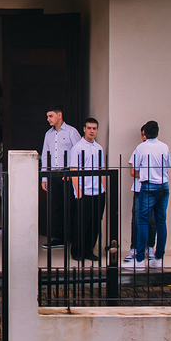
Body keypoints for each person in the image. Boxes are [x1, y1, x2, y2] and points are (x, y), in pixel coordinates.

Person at [125, 121, 170, 270]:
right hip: (163, 186)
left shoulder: (141, 148)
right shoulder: (164, 147)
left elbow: (135, 168)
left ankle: (138, 260)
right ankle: (159, 257)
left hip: (148, 186)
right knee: (161, 221)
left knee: (142, 221)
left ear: (145, 133)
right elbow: (167, 167)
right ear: (157, 133)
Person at [40, 104, 80, 249]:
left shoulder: (71, 132)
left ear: (59, 115)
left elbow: (78, 152)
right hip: (53, 174)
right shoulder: (48, 134)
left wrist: (73, 172)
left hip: (68, 175)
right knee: (57, 207)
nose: (48, 119)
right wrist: (44, 177)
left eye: (50, 116)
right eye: (47, 116)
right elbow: (45, 155)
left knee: (71, 206)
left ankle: (74, 237)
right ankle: (60, 237)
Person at [67, 117, 105, 262]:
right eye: (89, 128)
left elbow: (101, 169)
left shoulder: (99, 148)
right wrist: (78, 191)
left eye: (94, 128)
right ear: (84, 129)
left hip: (98, 192)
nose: (91, 131)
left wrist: (103, 189)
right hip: (84, 192)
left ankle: (89, 250)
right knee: (81, 224)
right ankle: (77, 251)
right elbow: (74, 170)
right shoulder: (77, 148)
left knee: (94, 224)